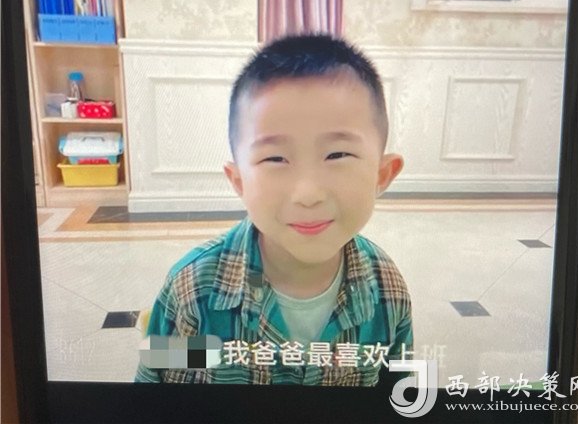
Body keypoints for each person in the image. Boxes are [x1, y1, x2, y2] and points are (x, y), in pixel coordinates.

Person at [135, 33, 413, 385]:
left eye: (337, 154)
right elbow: (156, 394)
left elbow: (397, 395)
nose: (308, 194)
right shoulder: (194, 291)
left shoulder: (387, 290)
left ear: (382, 174)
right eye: (275, 158)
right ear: (239, 181)